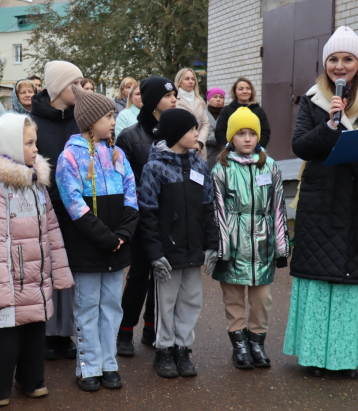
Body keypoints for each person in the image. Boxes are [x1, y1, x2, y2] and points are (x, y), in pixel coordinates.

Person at [283, 26, 358, 379]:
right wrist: (331, 125)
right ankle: (315, 355)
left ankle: (346, 357)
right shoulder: (313, 98)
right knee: (318, 276)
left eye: (347, 59)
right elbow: (301, 145)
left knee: (353, 278)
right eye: (333, 59)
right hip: (321, 197)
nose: (339, 65)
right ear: (325, 65)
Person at [0, 113, 74, 406]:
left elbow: (52, 228)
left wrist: (59, 271)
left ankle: (31, 380)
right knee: (6, 332)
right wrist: (1, 285)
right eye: (28, 143)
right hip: (10, 276)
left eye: (35, 142)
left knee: (35, 327)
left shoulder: (36, 181)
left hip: (37, 272)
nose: (35, 149)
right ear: (11, 146)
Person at [56, 85, 139, 391]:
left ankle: (109, 362)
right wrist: (105, 237)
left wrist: (123, 234)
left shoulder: (117, 154)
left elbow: (132, 196)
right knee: (88, 305)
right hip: (89, 247)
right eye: (108, 116)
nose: (113, 121)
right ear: (91, 122)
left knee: (112, 306)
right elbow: (75, 206)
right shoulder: (70, 158)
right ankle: (88, 365)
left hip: (116, 246)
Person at [137, 109, 218, 378]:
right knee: (166, 302)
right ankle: (164, 350)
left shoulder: (199, 165)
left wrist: (211, 245)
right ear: (175, 134)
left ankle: (183, 349)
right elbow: (147, 214)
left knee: (192, 300)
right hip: (167, 252)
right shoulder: (154, 168)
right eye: (192, 129)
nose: (198, 134)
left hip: (193, 248)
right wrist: (155, 254)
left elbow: (208, 208)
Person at [212, 107, 290, 370]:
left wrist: (281, 247)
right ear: (231, 137)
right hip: (233, 244)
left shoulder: (269, 165)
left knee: (262, 299)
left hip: (263, 243)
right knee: (234, 300)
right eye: (241, 133)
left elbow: (279, 206)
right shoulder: (222, 168)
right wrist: (221, 251)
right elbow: (218, 211)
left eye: (252, 133)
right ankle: (240, 345)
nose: (247, 139)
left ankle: (257, 342)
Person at [115, 76, 176, 356]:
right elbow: (123, 182)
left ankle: (152, 329)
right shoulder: (129, 136)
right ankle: (124, 331)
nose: (174, 99)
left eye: (175, 94)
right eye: (168, 95)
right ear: (153, 102)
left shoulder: (176, 134)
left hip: (168, 218)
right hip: (140, 218)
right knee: (139, 274)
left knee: (162, 275)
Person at [29, 60, 84, 360]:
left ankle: (67, 333)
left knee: (71, 270)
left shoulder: (81, 119)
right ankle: (48, 333)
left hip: (77, 208)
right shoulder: (33, 121)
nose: (79, 88)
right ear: (57, 87)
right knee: (46, 269)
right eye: (73, 83)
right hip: (45, 205)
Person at [214, 78, 270, 150]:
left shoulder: (259, 110)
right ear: (235, 92)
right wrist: (229, 149)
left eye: (248, 88)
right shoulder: (226, 110)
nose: (245, 91)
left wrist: (256, 148)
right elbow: (220, 132)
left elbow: (265, 132)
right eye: (241, 89)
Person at [174, 68, 210, 160]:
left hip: (199, 150)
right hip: (181, 149)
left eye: (193, 79)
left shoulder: (200, 101)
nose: (191, 81)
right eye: (187, 79)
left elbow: (205, 124)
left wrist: (200, 143)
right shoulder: (174, 101)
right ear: (179, 82)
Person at [205, 87, 225, 167]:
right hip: (207, 154)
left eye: (221, 97)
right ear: (209, 99)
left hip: (224, 155)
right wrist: (221, 137)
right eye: (215, 97)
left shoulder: (227, 114)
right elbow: (203, 134)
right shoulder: (202, 114)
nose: (218, 99)